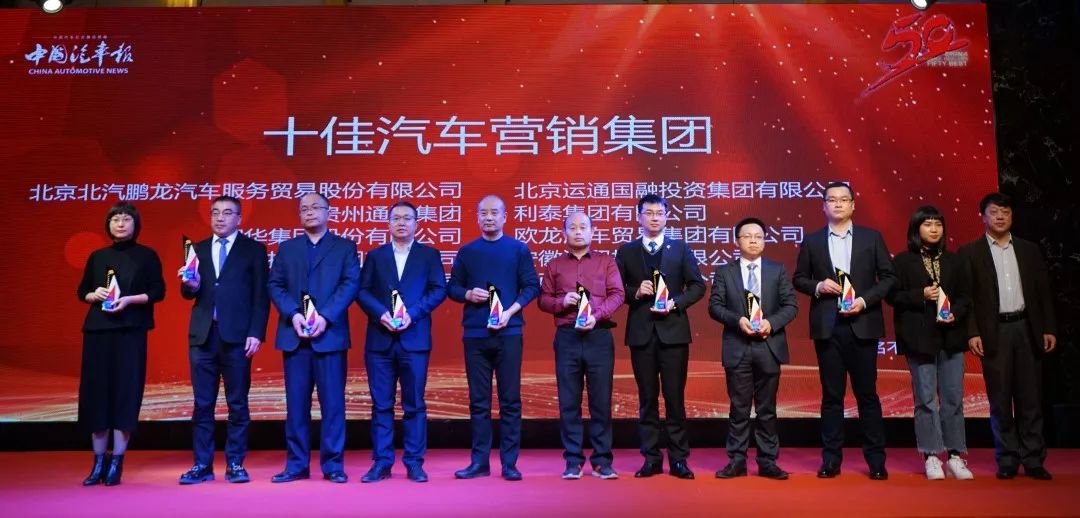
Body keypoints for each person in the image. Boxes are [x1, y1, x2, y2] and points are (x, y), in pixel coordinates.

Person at [792, 181, 895, 480]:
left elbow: (888, 278)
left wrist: (864, 301)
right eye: (831, 200)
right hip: (829, 327)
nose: (837, 204)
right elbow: (799, 278)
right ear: (823, 206)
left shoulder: (871, 238)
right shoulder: (812, 241)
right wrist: (818, 286)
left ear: (853, 205)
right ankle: (831, 460)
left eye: (843, 199)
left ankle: (876, 461)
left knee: (867, 395)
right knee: (832, 397)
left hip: (863, 324)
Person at [959, 192, 1056, 480]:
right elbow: (967, 298)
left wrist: (1048, 327)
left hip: (1027, 328)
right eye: (994, 212)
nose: (1000, 216)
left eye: (1005, 211)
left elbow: (1043, 292)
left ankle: (1034, 459)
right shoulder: (970, 252)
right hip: (995, 331)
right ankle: (1007, 459)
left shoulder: (1029, 249)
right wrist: (972, 332)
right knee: (1000, 400)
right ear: (983, 217)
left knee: (1031, 398)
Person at [267, 192, 360, 484]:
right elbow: (275, 285)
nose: (309, 212)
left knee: (333, 405)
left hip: (329, 335)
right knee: (296, 406)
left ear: (328, 212)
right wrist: (293, 314)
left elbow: (350, 284)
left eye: (315, 207)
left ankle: (333, 465)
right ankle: (296, 464)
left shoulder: (345, 247)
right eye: (304, 208)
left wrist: (325, 317)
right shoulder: (287, 248)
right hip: (294, 336)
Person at [177, 195, 269, 485]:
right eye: (215, 212)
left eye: (227, 213)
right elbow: (188, 292)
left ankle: (235, 463)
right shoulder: (197, 249)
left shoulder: (254, 249)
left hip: (238, 337)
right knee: (203, 404)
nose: (220, 218)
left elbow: (261, 296)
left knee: (237, 403)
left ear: (239, 218)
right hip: (203, 335)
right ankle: (202, 464)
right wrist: (191, 285)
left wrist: (256, 332)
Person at [447, 195, 540, 482]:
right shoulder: (467, 251)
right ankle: (479, 462)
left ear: (504, 217)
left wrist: (510, 312)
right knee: (479, 402)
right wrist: (467, 294)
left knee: (510, 401)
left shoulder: (518, 249)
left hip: (509, 333)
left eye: (494, 213)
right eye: (483, 213)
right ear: (477, 217)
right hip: (475, 334)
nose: (489, 217)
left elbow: (531, 286)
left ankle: (510, 463)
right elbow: (452, 288)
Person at [614, 194, 706, 480]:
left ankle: (679, 459)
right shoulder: (626, 251)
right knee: (647, 399)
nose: (654, 218)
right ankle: (651, 458)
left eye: (659, 213)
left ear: (667, 216)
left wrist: (675, 302)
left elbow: (697, 286)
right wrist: (635, 292)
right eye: (649, 213)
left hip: (674, 334)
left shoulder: (680, 249)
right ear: (639, 217)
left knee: (675, 398)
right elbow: (615, 289)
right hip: (641, 335)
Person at [355, 201, 447, 483]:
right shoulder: (376, 256)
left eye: (407, 218)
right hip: (380, 341)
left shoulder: (429, 255)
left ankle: (414, 462)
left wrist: (413, 314)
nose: (402, 222)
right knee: (381, 405)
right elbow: (362, 291)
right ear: (388, 223)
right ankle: (381, 462)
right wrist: (380, 313)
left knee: (414, 404)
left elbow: (439, 289)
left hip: (414, 339)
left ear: (417, 224)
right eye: (396, 218)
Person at [76, 202, 165, 486]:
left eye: (126, 219)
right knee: (97, 394)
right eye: (115, 219)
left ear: (135, 225)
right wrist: (93, 295)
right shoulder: (97, 256)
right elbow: (82, 291)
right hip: (98, 331)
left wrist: (129, 300)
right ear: (108, 225)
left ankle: (117, 461)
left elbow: (158, 291)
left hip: (131, 331)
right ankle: (98, 462)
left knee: (126, 393)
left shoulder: (147, 255)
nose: (121, 224)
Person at [708, 217, 798, 480]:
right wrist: (737, 321)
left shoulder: (776, 270)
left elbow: (791, 306)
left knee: (767, 409)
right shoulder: (725, 272)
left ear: (764, 241)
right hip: (738, 346)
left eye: (758, 236)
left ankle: (767, 461)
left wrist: (772, 323)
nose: (753, 241)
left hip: (769, 346)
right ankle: (736, 460)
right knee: (739, 408)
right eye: (747, 236)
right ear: (737, 241)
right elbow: (715, 306)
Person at [889, 206, 975, 480]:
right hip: (919, 339)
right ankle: (931, 455)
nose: (934, 229)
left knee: (953, 398)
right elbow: (892, 296)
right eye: (927, 224)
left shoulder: (954, 260)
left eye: (938, 224)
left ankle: (955, 455)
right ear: (916, 229)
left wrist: (954, 313)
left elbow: (965, 296)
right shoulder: (903, 261)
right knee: (925, 399)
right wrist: (920, 295)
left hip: (951, 337)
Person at [538, 212, 625, 480]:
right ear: (564, 233)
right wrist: (561, 302)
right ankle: (573, 460)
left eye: (583, 227)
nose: (578, 231)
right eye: (572, 228)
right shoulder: (554, 265)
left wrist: (596, 316)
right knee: (569, 401)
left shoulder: (606, 261)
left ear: (592, 231)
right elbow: (543, 300)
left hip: (598, 336)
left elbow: (618, 294)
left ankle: (602, 460)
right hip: (568, 337)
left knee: (601, 401)